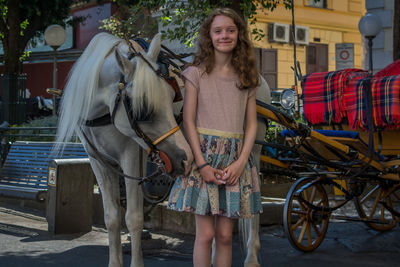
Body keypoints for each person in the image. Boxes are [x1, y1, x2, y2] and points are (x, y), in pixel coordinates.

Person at [167, 7, 262, 267]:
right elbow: (188, 120)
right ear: (209, 36)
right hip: (204, 156)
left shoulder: (246, 76)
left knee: (224, 236)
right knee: (206, 234)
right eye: (218, 31)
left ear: (239, 35)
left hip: (234, 158)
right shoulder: (195, 73)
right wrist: (201, 164)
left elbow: (251, 124)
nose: (224, 36)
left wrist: (242, 161)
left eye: (230, 30)